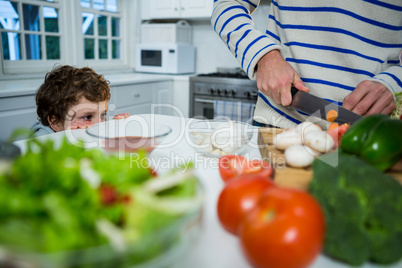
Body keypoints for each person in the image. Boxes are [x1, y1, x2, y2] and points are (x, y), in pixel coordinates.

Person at [211, 0, 402, 129]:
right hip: (279, 126)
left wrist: (395, 82)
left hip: (370, 133)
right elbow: (227, 3)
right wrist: (265, 56)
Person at [32, 65, 129, 136]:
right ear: (55, 122)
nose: (100, 125)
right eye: (87, 117)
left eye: (103, 115)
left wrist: (113, 128)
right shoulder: (40, 142)